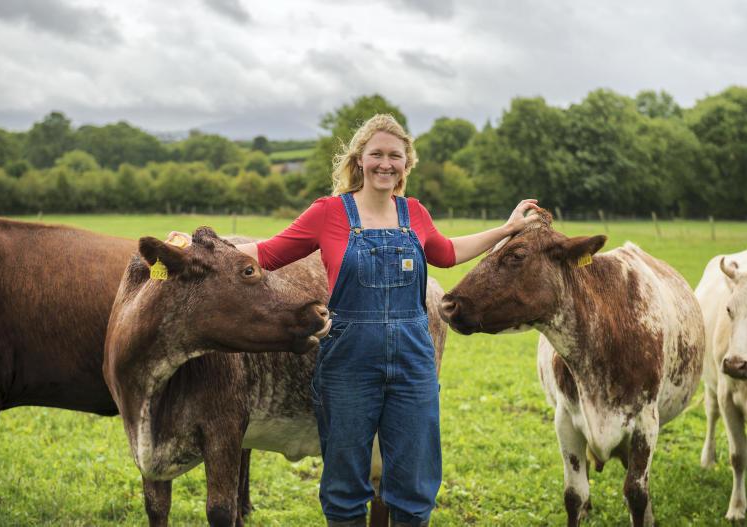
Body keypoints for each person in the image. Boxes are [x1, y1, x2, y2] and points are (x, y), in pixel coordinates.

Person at [171, 114, 538, 526]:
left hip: (413, 365)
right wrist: (196, 254)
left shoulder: (414, 213)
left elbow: (447, 252)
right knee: (345, 489)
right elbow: (268, 253)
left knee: (414, 488)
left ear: (407, 163)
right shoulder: (328, 213)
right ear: (359, 160)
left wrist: (507, 228)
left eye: (395, 156)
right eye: (376, 154)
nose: (386, 163)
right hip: (348, 365)